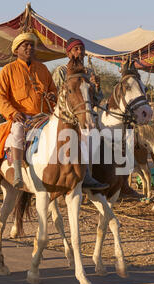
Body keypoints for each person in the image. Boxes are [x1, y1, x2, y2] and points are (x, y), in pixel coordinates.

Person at [0, 32, 58, 189]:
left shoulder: (43, 69)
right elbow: (0, 97)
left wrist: (52, 96)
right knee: (17, 132)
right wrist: (13, 113)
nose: (29, 48)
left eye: (31, 45)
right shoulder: (8, 70)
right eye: (25, 45)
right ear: (17, 50)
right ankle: (17, 173)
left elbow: (54, 91)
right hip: (20, 117)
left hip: (43, 117)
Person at [52, 37, 109, 191]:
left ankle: (92, 175)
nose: (80, 52)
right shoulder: (61, 71)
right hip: (66, 117)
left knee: (100, 137)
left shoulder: (89, 72)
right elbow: (56, 95)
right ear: (68, 53)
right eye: (76, 49)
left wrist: (96, 87)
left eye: (82, 49)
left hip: (85, 116)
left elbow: (96, 100)